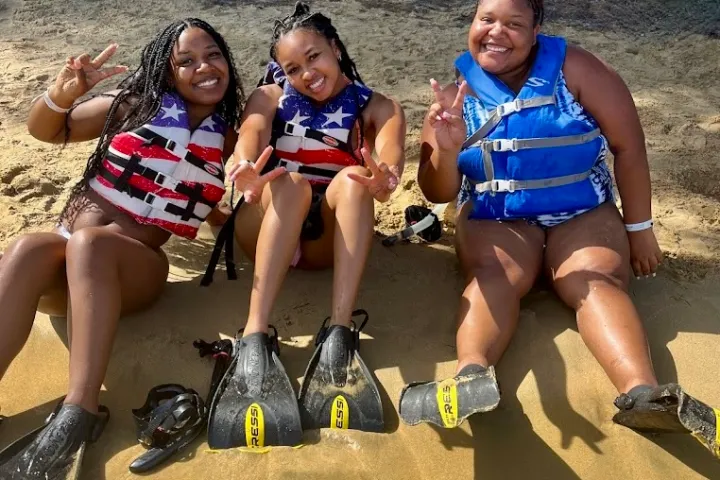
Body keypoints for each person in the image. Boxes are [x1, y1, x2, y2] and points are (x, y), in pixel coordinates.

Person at [399, 0, 719, 460]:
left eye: (514, 24)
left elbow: (628, 146)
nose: (496, 33)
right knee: (494, 277)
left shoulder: (578, 70)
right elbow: (435, 191)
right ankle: (470, 376)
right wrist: (445, 150)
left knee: (596, 281)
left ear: (536, 30)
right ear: (472, 23)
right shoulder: (456, 96)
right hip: (498, 216)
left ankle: (645, 393)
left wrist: (640, 227)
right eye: (486, 20)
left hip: (580, 210)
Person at [0, 18, 244, 477]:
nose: (204, 67)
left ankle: (80, 411)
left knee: (92, 244)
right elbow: (47, 131)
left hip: (134, 273)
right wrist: (63, 94)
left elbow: (208, 199)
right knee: (27, 248)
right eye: (186, 61)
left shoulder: (228, 139)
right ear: (167, 73)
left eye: (213, 55)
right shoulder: (131, 106)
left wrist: (233, 214)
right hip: (68, 270)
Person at [205, 2, 406, 449]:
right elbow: (251, 135)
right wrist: (243, 168)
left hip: (323, 244)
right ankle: (254, 335)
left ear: (334, 47)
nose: (307, 74)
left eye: (314, 57)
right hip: (266, 223)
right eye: (293, 67)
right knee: (290, 182)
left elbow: (389, 157)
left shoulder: (379, 106)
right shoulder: (269, 97)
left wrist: (385, 178)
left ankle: (338, 331)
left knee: (353, 179)